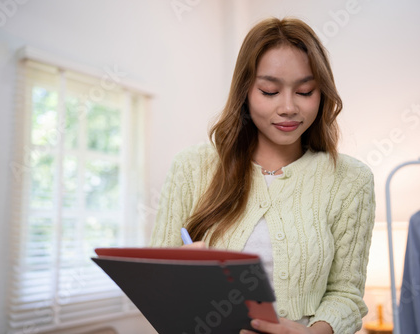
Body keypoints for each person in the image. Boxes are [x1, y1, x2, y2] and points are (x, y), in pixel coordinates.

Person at [150, 17, 375, 334]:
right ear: (245, 92)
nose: (288, 107)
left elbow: (346, 295)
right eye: (270, 91)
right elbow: (155, 288)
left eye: (305, 91)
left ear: (322, 94)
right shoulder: (192, 167)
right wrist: (180, 278)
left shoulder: (350, 179)